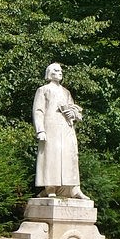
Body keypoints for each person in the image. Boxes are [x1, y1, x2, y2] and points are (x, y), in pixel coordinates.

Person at [33, 63, 89, 199]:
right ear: (50, 73)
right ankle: (50, 187)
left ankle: (74, 189)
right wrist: (40, 130)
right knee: (51, 156)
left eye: (61, 71)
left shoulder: (66, 92)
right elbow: (38, 111)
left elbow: (73, 108)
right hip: (50, 127)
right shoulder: (43, 90)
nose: (60, 73)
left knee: (70, 156)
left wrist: (73, 114)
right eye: (57, 70)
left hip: (66, 128)